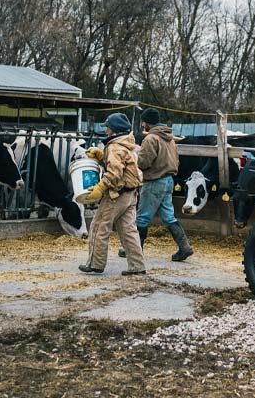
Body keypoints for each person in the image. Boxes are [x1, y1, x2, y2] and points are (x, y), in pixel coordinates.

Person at [121, 107, 193, 261]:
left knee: (142, 217)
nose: (142, 125)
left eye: (143, 122)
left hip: (154, 181)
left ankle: (134, 250)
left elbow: (144, 162)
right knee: (168, 216)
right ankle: (185, 247)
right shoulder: (170, 138)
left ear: (147, 122)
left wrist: (136, 155)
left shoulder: (151, 139)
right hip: (168, 180)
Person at [78, 113, 145, 275]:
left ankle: (96, 263)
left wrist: (100, 187)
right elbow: (121, 165)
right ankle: (137, 266)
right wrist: (102, 156)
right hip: (131, 195)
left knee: (99, 226)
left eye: (107, 127)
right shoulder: (128, 144)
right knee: (129, 231)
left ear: (114, 129)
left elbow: (114, 173)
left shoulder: (115, 147)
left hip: (116, 194)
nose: (106, 130)